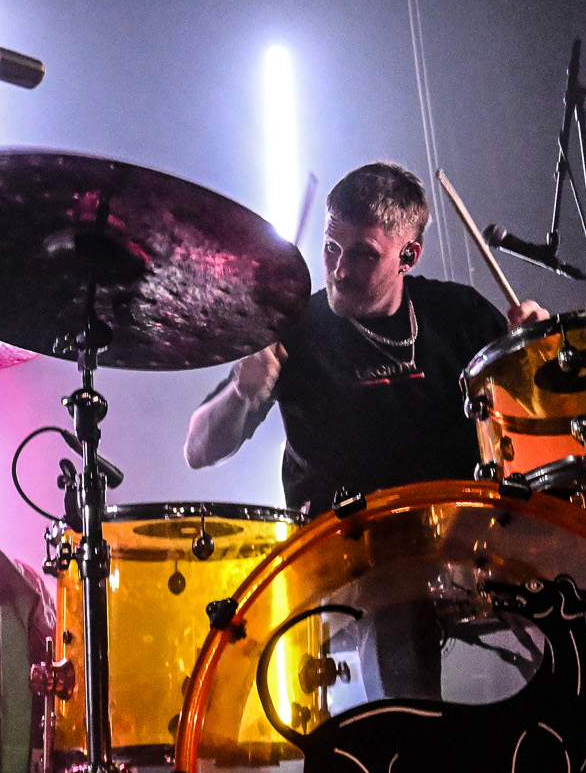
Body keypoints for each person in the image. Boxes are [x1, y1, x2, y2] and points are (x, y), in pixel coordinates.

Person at [186, 161, 548, 516]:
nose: (339, 270)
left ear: (409, 256)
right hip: (340, 543)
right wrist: (240, 394)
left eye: (363, 254)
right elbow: (198, 451)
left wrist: (540, 358)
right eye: (331, 247)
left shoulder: (460, 313)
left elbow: (539, 420)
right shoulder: (294, 329)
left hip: (465, 531)